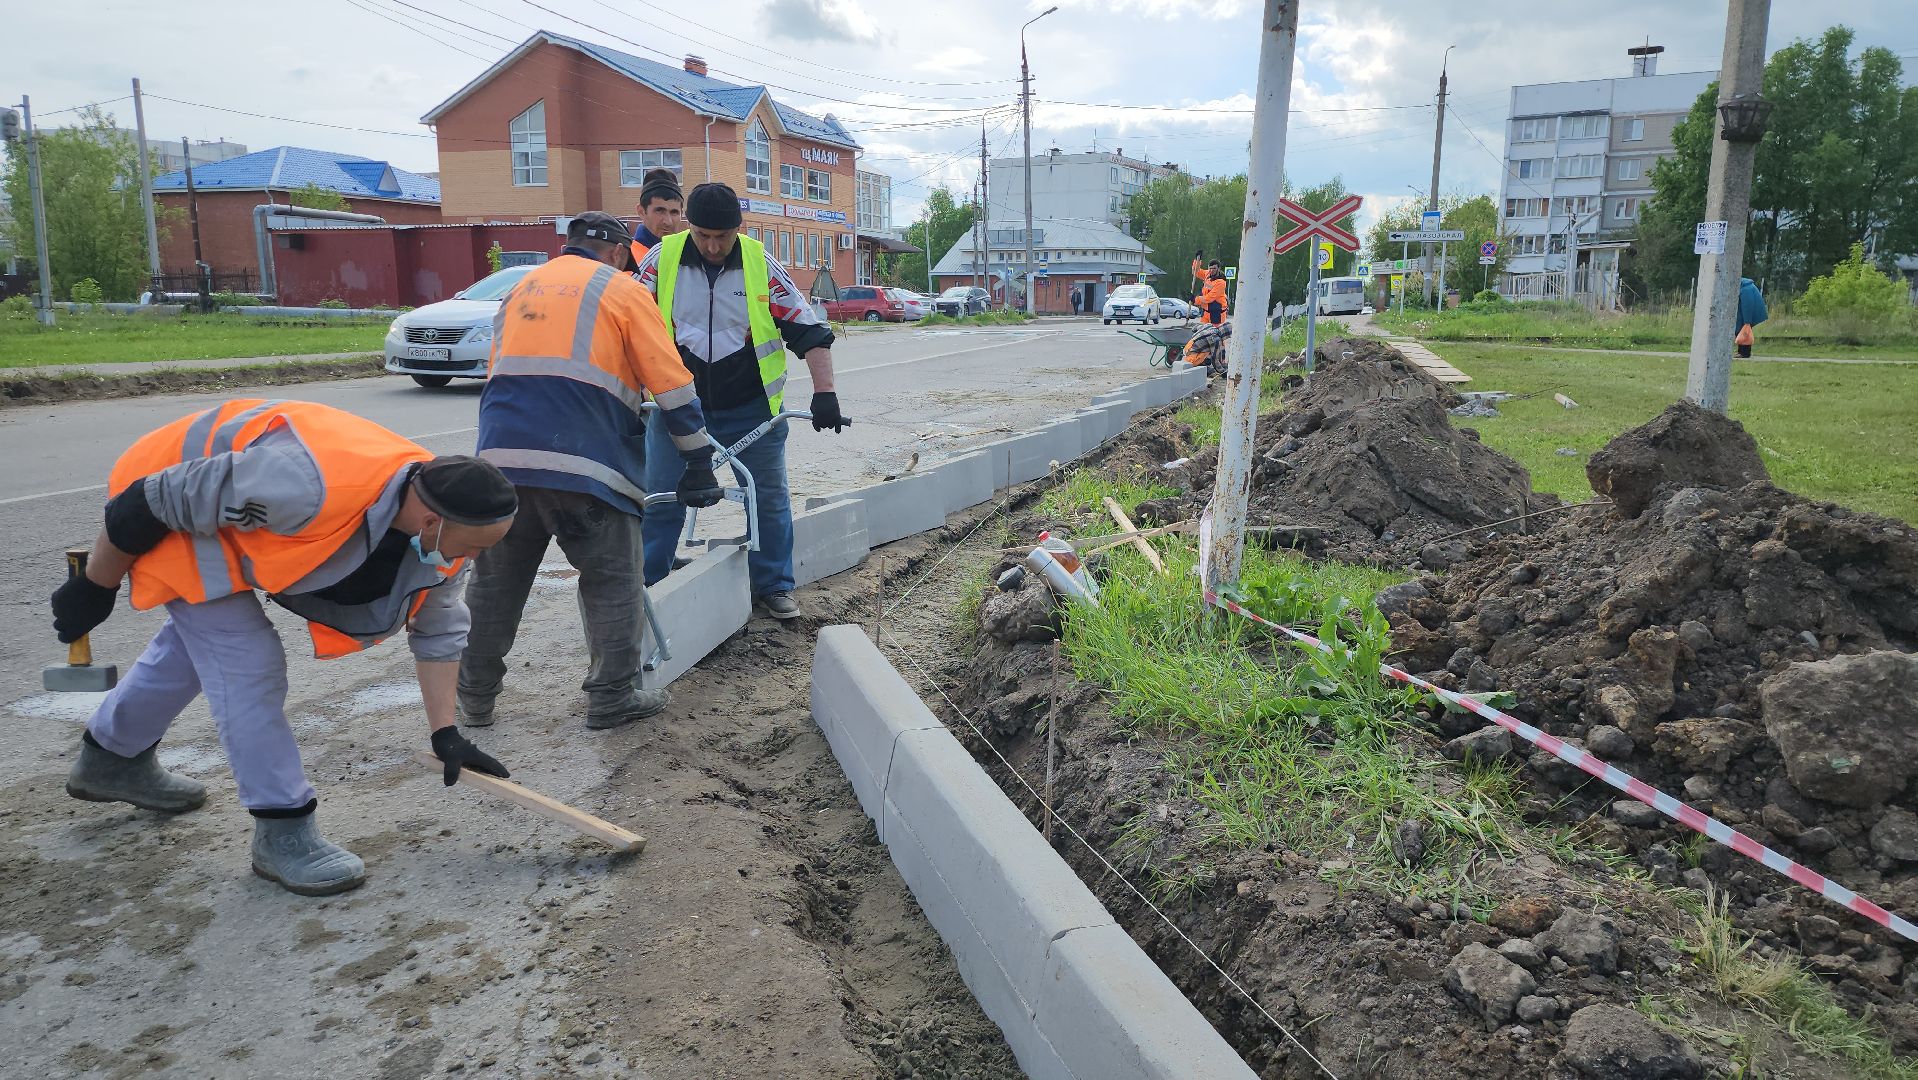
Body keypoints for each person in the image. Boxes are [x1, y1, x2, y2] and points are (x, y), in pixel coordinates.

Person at [50, 403, 519, 896]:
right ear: (429, 524)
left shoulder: (450, 517)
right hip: (159, 492)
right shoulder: (303, 486)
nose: (474, 560)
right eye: (472, 548)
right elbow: (143, 504)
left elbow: (439, 628)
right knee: (247, 660)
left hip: (231, 499)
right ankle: (284, 829)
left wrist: (445, 733)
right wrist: (97, 587)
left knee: (198, 647)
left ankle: (110, 758)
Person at [460, 211, 721, 732]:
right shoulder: (624, 291)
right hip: (586, 464)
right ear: (621, 253)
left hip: (502, 462)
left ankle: (473, 699)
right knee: (611, 580)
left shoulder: (521, 288)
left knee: (495, 585)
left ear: (570, 246)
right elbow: (671, 384)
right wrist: (697, 460)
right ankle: (611, 697)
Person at [632, 183, 848, 621]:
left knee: (766, 497)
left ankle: (772, 585)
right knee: (660, 497)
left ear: (739, 229)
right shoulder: (661, 261)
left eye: (723, 237)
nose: (713, 247)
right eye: (704, 236)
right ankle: (648, 584)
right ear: (690, 226)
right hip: (678, 409)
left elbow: (807, 330)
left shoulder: (760, 266)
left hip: (751, 409)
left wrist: (826, 393)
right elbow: (628, 327)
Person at [630, 168, 685, 264]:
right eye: (659, 211)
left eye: (674, 212)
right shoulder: (627, 260)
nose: (668, 222)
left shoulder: (687, 256)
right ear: (641, 212)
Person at [1736, 277, 1767, 359]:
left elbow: (1747, 306)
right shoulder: (1746, 287)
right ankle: (1743, 352)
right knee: (1742, 330)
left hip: (1749, 314)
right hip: (1748, 313)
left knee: (1743, 331)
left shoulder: (1746, 289)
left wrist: (1747, 321)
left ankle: (1744, 353)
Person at [1196, 261, 1229, 327]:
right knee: (1203, 334)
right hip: (1206, 312)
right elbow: (1196, 272)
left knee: (1215, 335)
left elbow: (1209, 298)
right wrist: (1197, 261)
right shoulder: (1208, 274)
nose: (1211, 270)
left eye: (1214, 268)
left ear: (1219, 268)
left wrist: (1195, 299)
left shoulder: (1221, 282)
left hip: (1217, 313)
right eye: (1210, 268)